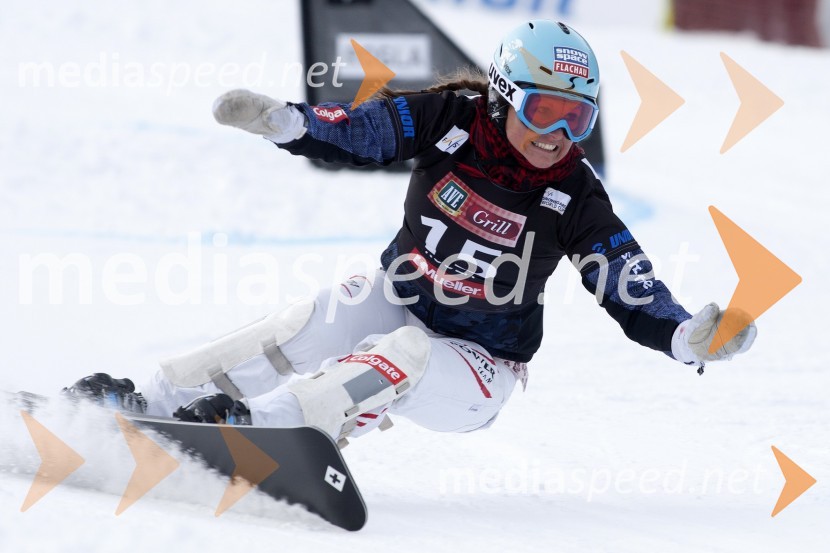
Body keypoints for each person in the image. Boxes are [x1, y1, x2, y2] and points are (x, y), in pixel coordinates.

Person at [65, 20, 755, 446]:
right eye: (544, 111)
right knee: (320, 317)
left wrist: (682, 335)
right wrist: (290, 124)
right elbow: (365, 130)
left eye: (577, 118)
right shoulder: (450, 119)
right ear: (503, 96)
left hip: (480, 368)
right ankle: (152, 400)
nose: (558, 135)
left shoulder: (573, 191)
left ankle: (267, 430)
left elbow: (627, 282)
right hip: (404, 297)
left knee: (406, 351)